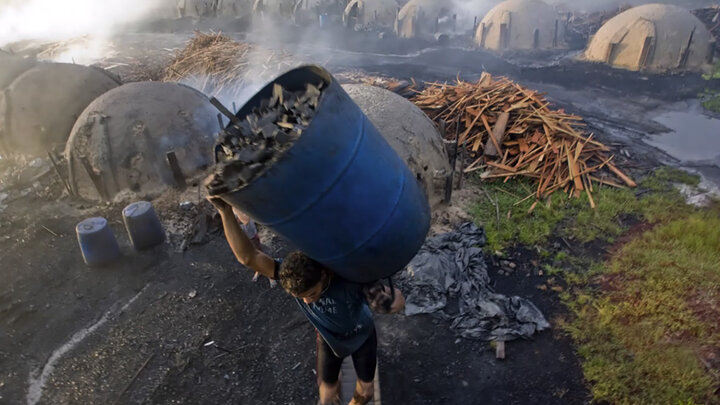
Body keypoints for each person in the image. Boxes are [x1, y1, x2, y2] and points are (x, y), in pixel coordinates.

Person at [207, 193, 405, 405]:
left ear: (324, 276)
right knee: (327, 393)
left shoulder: (350, 281)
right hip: (329, 340)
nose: (309, 302)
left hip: (361, 336)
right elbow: (249, 257)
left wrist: (388, 302)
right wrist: (224, 212)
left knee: (365, 392)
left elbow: (396, 301)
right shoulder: (288, 275)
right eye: (301, 297)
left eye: (312, 294)